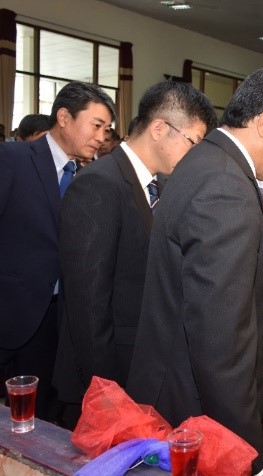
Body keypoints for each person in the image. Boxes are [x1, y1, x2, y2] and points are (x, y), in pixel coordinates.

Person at [126, 60, 263, 474]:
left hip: (172, 395)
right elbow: (221, 342)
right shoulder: (226, 187)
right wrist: (249, 456)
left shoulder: (203, 161)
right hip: (193, 416)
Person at [53, 81, 216, 430]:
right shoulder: (99, 183)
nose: (194, 156)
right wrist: (107, 392)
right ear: (159, 128)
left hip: (141, 368)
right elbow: (87, 303)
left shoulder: (160, 186)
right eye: (192, 142)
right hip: (107, 379)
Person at [0, 82, 115, 422]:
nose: (101, 137)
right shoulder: (13, 159)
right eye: (96, 125)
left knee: (37, 418)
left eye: (106, 130)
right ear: (64, 117)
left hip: (57, 320)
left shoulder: (89, 177)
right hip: (9, 311)